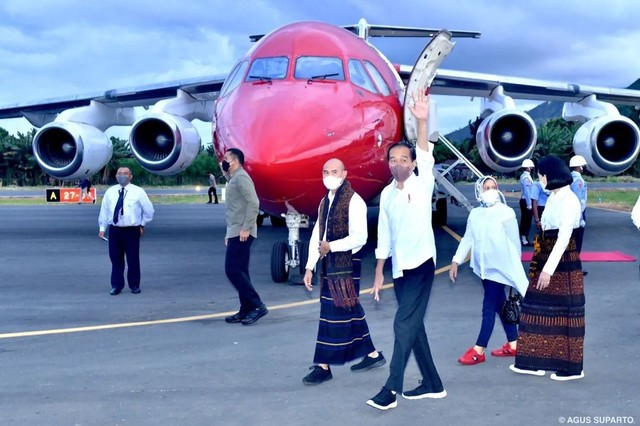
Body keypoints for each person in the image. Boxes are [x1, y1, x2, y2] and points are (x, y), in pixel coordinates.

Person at [366, 91, 445, 411]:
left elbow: (425, 152)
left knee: (403, 324)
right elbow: (384, 234)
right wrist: (378, 271)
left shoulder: (422, 182)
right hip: (399, 269)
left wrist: (422, 120)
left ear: (412, 164)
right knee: (414, 326)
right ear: (388, 164)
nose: (398, 163)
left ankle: (391, 388)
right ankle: (433, 383)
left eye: (404, 159)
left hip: (422, 265)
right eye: (393, 159)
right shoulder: (386, 195)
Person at [301, 158, 385, 385]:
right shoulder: (324, 202)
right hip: (329, 265)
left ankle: (323, 366)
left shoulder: (354, 201)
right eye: (326, 171)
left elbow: (360, 237)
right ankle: (372, 354)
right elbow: (317, 237)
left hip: (345, 266)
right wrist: (310, 266)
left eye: (334, 171)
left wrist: (332, 247)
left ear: (344, 173)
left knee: (332, 314)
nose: (330, 175)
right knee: (349, 308)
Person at [509, 155, 585, 381]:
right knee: (536, 308)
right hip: (546, 254)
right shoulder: (554, 196)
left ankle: (572, 368)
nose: (539, 179)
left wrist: (548, 270)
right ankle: (535, 361)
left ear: (550, 175)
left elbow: (563, 238)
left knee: (566, 313)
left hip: (561, 260)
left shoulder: (569, 200)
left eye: (541, 174)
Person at [450, 176, 529, 365]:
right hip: (484, 269)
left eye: (493, 187)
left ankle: (479, 349)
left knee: (488, 307)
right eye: (486, 187)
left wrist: (513, 268)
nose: (491, 190)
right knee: (500, 305)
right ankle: (514, 343)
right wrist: (455, 260)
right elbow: (468, 239)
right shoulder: (475, 214)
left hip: (500, 268)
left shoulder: (506, 212)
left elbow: (514, 242)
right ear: (480, 190)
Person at [221, 148, 268, 326]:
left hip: (242, 231)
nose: (223, 161)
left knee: (232, 270)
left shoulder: (241, 177)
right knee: (241, 271)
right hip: (235, 230)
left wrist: (246, 228)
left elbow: (253, 202)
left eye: (226, 159)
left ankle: (257, 305)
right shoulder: (234, 178)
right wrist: (229, 233)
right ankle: (245, 309)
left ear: (234, 161)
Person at [98, 167, 154, 295]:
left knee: (133, 259)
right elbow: (105, 211)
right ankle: (116, 285)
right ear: (116, 176)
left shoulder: (138, 192)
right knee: (115, 259)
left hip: (132, 230)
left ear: (130, 176)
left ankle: (134, 285)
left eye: (125, 173)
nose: (122, 176)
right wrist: (102, 228)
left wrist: (142, 224)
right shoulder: (110, 192)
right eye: (119, 173)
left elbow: (149, 210)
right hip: (115, 230)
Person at [569, 155, 588, 261]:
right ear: (579, 166)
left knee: (573, 240)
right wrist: (580, 218)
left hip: (574, 212)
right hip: (578, 213)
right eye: (582, 166)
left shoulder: (571, 177)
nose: (583, 168)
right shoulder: (578, 181)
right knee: (577, 241)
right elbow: (579, 201)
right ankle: (575, 266)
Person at [519, 159, 535, 246]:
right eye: (530, 167)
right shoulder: (526, 178)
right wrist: (529, 204)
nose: (531, 168)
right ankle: (524, 239)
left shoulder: (525, 176)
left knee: (526, 220)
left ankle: (525, 238)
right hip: (526, 200)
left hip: (525, 200)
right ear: (528, 167)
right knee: (526, 220)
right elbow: (527, 192)